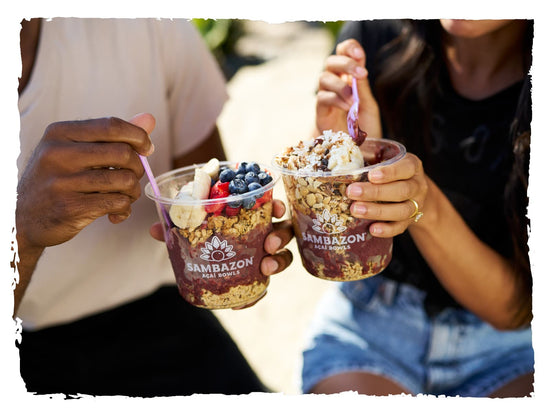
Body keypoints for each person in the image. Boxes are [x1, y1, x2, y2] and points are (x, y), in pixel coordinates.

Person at [15, 17, 293, 397]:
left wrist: (234, 256)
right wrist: (22, 230)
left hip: (158, 315)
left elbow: (212, 192)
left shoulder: (147, 23)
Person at [301, 19, 534, 397]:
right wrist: (340, 164)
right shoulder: (374, 35)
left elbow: (516, 311)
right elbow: (327, 244)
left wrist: (423, 206)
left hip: (512, 350)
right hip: (371, 321)